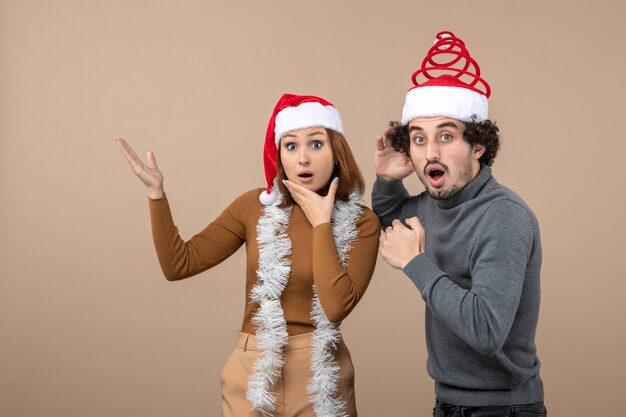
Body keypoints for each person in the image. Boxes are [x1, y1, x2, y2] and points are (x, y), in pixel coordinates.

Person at [116, 93, 380, 417]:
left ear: (336, 151)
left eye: (315, 144)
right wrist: (155, 193)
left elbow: (336, 306)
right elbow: (178, 264)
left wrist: (321, 222)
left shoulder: (361, 223)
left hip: (321, 375)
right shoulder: (254, 207)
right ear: (279, 154)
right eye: (291, 146)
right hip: (253, 373)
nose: (303, 159)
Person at [373, 31, 547, 416]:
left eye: (446, 136)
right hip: (450, 401)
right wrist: (387, 181)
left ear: (478, 145)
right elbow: (391, 226)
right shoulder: (435, 203)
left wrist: (417, 265)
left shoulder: (503, 216)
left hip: (502, 409)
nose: (430, 151)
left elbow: (487, 330)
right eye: (418, 139)